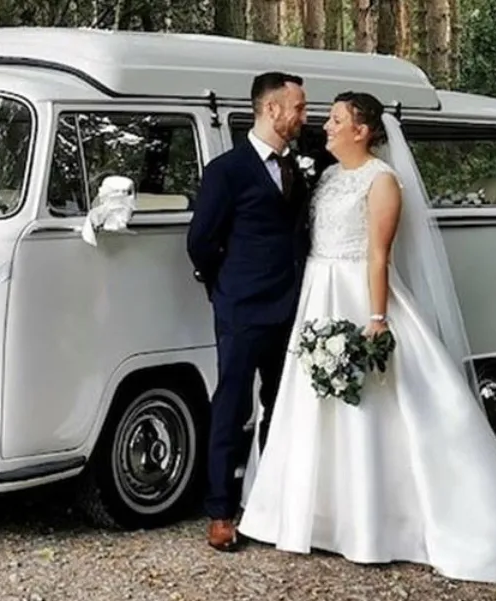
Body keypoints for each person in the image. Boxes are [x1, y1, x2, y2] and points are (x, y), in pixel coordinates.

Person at [236, 91, 496, 583]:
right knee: (317, 405)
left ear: (363, 129)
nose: (327, 126)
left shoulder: (382, 181)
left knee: (377, 406)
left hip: (358, 294)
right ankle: (322, 517)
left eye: (338, 119)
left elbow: (378, 256)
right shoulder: (326, 177)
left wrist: (376, 317)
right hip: (317, 292)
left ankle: (383, 523)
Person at [186, 71, 312, 552]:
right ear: (272, 109)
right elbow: (200, 241)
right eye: (298, 107)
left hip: (293, 307)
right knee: (232, 406)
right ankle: (221, 511)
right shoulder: (227, 170)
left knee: (286, 408)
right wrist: (221, 284)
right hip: (242, 307)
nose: (304, 115)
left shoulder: (298, 166)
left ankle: (275, 504)